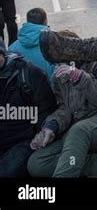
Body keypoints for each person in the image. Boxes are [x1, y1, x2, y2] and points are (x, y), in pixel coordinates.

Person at [27, 30, 97, 178]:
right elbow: (64, 108)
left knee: (78, 130)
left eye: (61, 57)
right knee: (36, 163)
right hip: (81, 132)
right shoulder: (58, 76)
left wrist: (78, 76)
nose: (57, 64)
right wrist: (51, 127)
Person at [0, 38, 57, 177]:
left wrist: (43, 131)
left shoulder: (29, 74)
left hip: (23, 141)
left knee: (7, 172)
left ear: (2, 53)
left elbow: (47, 111)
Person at [9, 8, 56, 80]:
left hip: (24, 89)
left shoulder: (12, 49)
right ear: (46, 21)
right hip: (51, 88)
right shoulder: (55, 44)